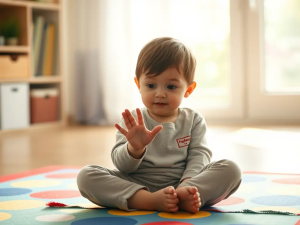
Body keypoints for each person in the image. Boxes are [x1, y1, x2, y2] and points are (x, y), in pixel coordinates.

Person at [77, 37, 241, 213]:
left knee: (231, 170)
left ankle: (184, 197)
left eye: (171, 87)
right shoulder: (132, 120)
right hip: (136, 184)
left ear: (188, 89)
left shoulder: (193, 120)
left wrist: (187, 185)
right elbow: (121, 166)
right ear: (138, 85)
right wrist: (134, 148)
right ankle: (147, 200)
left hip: (184, 182)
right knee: (87, 176)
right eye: (151, 85)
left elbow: (199, 156)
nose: (160, 93)